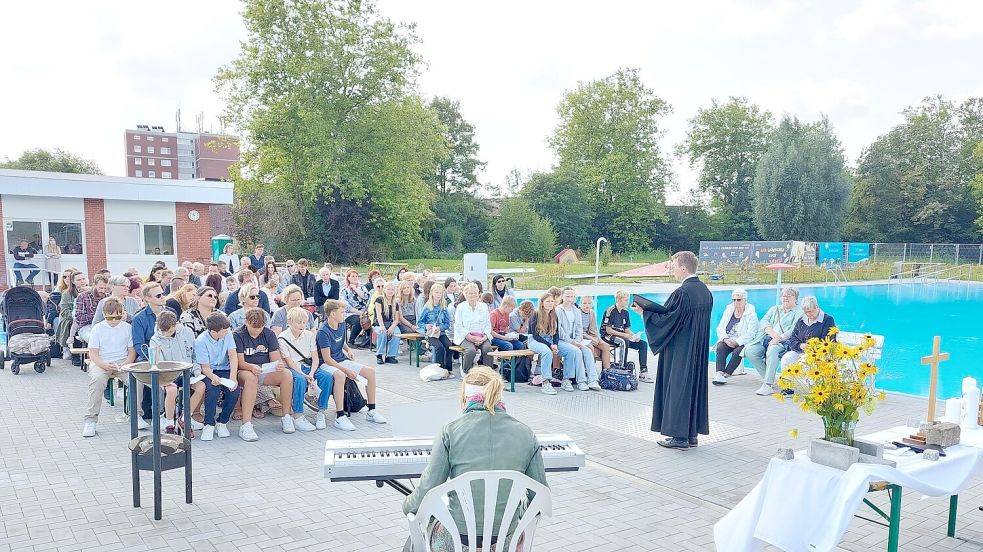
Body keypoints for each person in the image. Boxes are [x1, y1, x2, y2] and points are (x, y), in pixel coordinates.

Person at [402, 366, 548, 552]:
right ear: (498, 395)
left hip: (458, 541)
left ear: (465, 397)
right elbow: (540, 496)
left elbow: (427, 490)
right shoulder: (526, 433)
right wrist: (517, 518)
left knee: (421, 530)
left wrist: (407, 506)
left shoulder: (450, 431)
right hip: (505, 542)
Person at [634, 251, 713, 450]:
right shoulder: (705, 291)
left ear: (684, 268)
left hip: (681, 350)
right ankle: (691, 434)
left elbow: (668, 320)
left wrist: (646, 313)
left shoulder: (682, 293)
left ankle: (679, 438)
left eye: (674, 266)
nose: (672, 270)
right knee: (693, 388)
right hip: (697, 351)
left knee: (678, 388)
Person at [316, 299, 388, 428]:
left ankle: (371, 410)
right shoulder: (323, 331)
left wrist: (348, 350)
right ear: (332, 314)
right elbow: (327, 359)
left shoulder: (342, 324)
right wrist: (345, 370)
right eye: (342, 312)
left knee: (370, 372)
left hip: (341, 359)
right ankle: (340, 416)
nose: (344, 314)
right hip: (326, 364)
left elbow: (339, 341)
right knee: (340, 375)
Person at [233, 308, 298, 441]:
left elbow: (275, 358)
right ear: (246, 322)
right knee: (251, 379)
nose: (257, 330)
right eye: (253, 327)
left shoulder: (269, 334)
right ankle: (246, 424)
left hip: (264, 369)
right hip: (245, 370)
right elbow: (239, 362)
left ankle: (286, 417)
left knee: (286, 375)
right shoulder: (238, 334)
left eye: (260, 327)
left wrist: (278, 364)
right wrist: (251, 367)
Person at [82, 297, 136, 437]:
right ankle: (90, 420)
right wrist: (104, 365)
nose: (114, 321)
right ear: (104, 315)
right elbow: (93, 353)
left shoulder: (128, 328)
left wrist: (125, 364)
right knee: (97, 381)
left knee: (136, 380)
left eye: (118, 317)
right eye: (110, 318)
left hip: (123, 361)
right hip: (101, 362)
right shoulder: (97, 329)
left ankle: (137, 415)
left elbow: (132, 351)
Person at [278, 306, 336, 430]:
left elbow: (315, 358)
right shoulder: (283, 338)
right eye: (299, 322)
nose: (302, 325)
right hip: (293, 367)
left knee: (327, 376)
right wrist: (305, 375)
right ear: (290, 322)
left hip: (308, 366)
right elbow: (289, 361)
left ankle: (321, 411)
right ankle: (298, 415)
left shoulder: (309, 335)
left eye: (304, 322)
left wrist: (311, 372)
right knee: (299, 379)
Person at [151, 310, 205, 434]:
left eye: (169, 331)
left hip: (187, 372)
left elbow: (194, 354)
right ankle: (169, 423)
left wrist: (197, 372)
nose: (165, 334)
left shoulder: (187, 332)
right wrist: (164, 379)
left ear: (176, 325)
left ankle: (184, 417)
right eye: (163, 331)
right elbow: (157, 363)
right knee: (172, 390)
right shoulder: (155, 339)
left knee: (201, 386)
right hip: (168, 374)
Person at [745, 287, 804, 396]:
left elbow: (795, 329)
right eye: (784, 295)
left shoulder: (800, 311)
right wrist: (773, 335)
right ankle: (770, 377)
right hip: (768, 339)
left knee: (773, 349)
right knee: (750, 351)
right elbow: (764, 321)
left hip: (785, 343)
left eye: (789, 295)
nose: (785, 298)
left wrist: (779, 338)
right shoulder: (775, 309)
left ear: (795, 298)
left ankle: (767, 384)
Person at [132, 282, 175, 428]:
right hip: (148, 357)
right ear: (147, 298)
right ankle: (137, 415)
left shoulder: (171, 313)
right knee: (136, 378)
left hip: (170, 356)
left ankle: (165, 415)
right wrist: (152, 360)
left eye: (163, 293)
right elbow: (138, 344)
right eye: (158, 295)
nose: (163, 297)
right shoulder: (139, 318)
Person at [195, 311, 242, 442]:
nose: (227, 332)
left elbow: (232, 355)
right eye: (224, 331)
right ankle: (208, 424)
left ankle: (222, 421)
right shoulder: (201, 341)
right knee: (212, 390)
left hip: (225, 369)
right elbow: (204, 367)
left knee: (234, 391)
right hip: (209, 371)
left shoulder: (228, 334)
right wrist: (213, 377)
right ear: (214, 332)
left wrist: (233, 376)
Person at [711, 288, 759, 386]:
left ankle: (726, 374)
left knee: (738, 351)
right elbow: (720, 328)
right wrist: (725, 338)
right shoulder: (728, 311)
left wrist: (737, 342)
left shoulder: (751, 315)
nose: (736, 302)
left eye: (739, 300)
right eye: (734, 300)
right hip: (728, 339)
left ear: (745, 300)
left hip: (743, 342)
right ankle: (719, 373)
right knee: (720, 347)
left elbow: (751, 333)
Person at [601, 290, 652, 382]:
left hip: (622, 336)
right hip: (607, 336)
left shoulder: (626, 312)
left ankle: (643, 372)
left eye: (628, 299)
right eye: (625, 300)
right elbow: (608, 330)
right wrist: (625, 335)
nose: (628, 302)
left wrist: (634, 336)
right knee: (623, 341)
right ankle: (622, 367)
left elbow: (627, 329)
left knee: (643, 344)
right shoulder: (610, 310)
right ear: (619, 300)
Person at [557, 287, 601, 391]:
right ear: (562, 296)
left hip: (575, 341)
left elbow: (579, 327)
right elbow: (559, 330)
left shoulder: (576, 310)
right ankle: (580, 381)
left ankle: (592, 380)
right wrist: (571, 342)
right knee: (577, 351)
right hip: (561, 341)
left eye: (572, 296)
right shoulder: (558, 310)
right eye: (567, 296)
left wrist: (577, 339)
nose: (570, 299)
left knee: (587, 351)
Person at [780, 296, 837, 370]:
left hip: (819, 354)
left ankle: (799, 381)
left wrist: (811, 347)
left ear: (817, 307)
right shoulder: (802, 320)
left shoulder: (827, 320)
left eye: (810, 311)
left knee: (804, 362)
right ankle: (787, 381)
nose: (808, 314)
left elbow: (828, 341)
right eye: (805, 312)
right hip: (800, 351)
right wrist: (800, 345)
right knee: (786, 359)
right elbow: (792, 339)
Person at [453, 283, 493, 373]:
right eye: (471, 293)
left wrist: (484, 337)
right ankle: (467, 372)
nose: (473, 295)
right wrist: (469, 337)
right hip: (466, 336)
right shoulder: (461, 307)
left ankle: (488, 373)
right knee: (471, 351)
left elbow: (488, 323)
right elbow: (458, 325)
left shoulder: (483, 306)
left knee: (488, 349)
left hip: (482, 336)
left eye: (475, 293)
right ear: (465, 294)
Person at [418, 283, 453, 379]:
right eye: (436, 292)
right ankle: (439, 370)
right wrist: (426, 326)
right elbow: (420, 322)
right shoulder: (427, 307)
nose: (438, 295)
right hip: (431, 334)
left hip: (440, 333)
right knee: (439, 347)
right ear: (432, 293)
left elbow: (447, 323)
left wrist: (440, 328)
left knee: (449, 346)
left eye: (440, 293)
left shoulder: (444, 307)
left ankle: (448, 369)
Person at [74, 273, 109, 343]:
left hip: (105, 326)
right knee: (93, 339)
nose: (103, 291)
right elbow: (79, 318)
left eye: (105, 288)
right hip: (86, 327)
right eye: (100, 288)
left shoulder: (108, 298)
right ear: (94, 285)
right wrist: (97, 316)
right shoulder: (83, 296)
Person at [373, 282, 402, 365]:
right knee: (382, 332)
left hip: (390, 323)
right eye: (388, 289)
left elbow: (396, 319)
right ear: (384, 290)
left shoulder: (395, 303)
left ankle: (391, 356)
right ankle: (379, 355)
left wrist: (392, 327)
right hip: (379, 323)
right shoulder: (379, 300)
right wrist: (382, 326)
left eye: (392, 289)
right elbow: (378, 314)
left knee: (397, 332)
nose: (390, 291)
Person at [579, 295, 611, 370]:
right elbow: (579, 331)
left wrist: (597, 339)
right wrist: (591, 338)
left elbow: (593, 329)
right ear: (581, 304)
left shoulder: (592, 312)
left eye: (589, 303)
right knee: (591, 348)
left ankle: (606, 371)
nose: (587, 305)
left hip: (589, 336)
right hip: (580, 337)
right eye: (584, 303)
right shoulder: (578, 313)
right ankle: (590, 371)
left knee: (606, 346)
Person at [340, 269, 370, 347]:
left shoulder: (362, 287)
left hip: (365, 311)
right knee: (359, 320)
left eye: (356, 276)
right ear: (348, 278)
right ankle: (351, 341)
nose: (355, 278)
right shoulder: (344, 290)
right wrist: (359, 312)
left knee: (372, 319)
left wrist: (355, 289)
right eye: (353, 276)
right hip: (351, 313)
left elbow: (366, 297)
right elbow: (346, 306)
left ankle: (367, 341)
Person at [56, 270, 83, 355]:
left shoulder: (91, 291)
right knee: (74, 323)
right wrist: (76, 316)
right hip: (71, 318)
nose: (82, 281)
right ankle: (75, 354)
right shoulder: (66, 294)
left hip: (88, 317)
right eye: (79, 280)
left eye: (83, 279)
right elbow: (65, 312)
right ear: (73, 282)